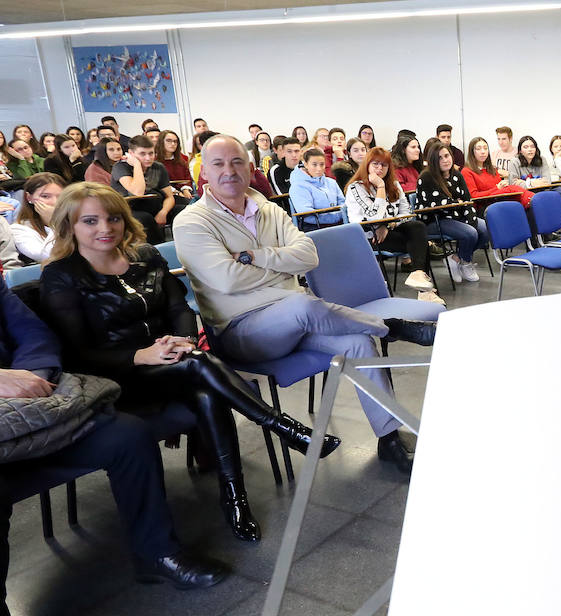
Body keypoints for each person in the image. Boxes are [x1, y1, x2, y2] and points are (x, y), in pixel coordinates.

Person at [38, 183, 342, 542]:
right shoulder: (61, 276)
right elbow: (76, 353)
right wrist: (141, 355)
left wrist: (181, 339)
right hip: (116, 376)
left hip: (173, 359)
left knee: (205, 390)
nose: (105, 228)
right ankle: (283, 430)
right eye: (90, 221)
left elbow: (179, 308)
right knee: (201, 367)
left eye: (113, 218)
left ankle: (236, 500)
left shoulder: (145, 256)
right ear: (69, 226)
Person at [0, 278, 231, 616]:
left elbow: (35, 336)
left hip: (33, 412)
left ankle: (157, 552)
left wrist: (32, 380)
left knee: (126, 434)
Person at [173, 136, 435, 473]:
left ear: (250, 168)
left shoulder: (267, 208)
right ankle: (392, 327)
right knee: (304, 305)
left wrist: (257, 258)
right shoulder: (192, 222)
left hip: (295, 319)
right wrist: (281, 269)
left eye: (237, 162)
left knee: (357, 342)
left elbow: (308, 255)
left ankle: (389, 439)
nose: (229, 171)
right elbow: (225, 279)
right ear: (204, 173)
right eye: (218, 164)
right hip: (242, 331)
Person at [344, 147, 437, 296]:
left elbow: (406, 213)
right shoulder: (356, 188)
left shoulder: (393, 185)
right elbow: (375, 218)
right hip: (368, 237)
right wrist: (380, 187)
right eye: (375, 164)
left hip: (390, 232)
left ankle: (418, 274)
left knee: (417, 227)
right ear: (367, 165)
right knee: (421, 243)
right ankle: (426, 292)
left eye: (384, 165)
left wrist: (389, 225)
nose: (380, 168)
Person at [416, 142, 486, 282]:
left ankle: (457, 259)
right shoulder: (426, 177)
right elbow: (439, 205)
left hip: (456, 216)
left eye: (447, 155)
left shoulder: (457, 175)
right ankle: (465, 262)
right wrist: (456, 203)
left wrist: (470, 219)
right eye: (440, 158)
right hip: (434, 220)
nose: (445, 160)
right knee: (470, 233)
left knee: (485, 229)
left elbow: (467, 200)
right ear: (434, 161)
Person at [110, 134, 190, 233]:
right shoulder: (120, 167)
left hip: (156, 205)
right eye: (142, 154)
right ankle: (157, 247)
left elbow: (169, 197)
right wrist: (137, 165)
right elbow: (138, 191)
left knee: (186, 211)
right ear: (131, 153)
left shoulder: (158, 167)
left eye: (151, 153)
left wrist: (163, 212)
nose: (148, 158)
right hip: (131, 209)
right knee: (146, 219)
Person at [290, 148, 347, 231]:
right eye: (314, 164)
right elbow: (307, 214)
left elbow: (343, 204)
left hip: (340, 224)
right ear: (306, 164)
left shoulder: (332, 182)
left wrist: (339, 216)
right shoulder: (298, 186)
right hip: (315, 228)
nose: (319, 168)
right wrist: (336, 215)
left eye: (322, 164)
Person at [462, 137, 531, 205]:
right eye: (478, 149)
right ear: (472, 152)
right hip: (485, 205)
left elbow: (500, 188)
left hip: (499, 200)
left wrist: (504, 185)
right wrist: (497, 188)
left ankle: (533, 201)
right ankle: (533, 200)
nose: (483, 152)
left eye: (485, 148)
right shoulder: (467, 171)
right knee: (512, 189)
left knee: (514, 194)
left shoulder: (492, 168)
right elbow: (474, 196)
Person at [12, 174, 61, 262]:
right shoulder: (19, 229)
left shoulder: (76, 220)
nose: (55, 202)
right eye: (45, 196)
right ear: (29, 197)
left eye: (60, 196)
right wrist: (55, 222)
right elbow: (47, 256)